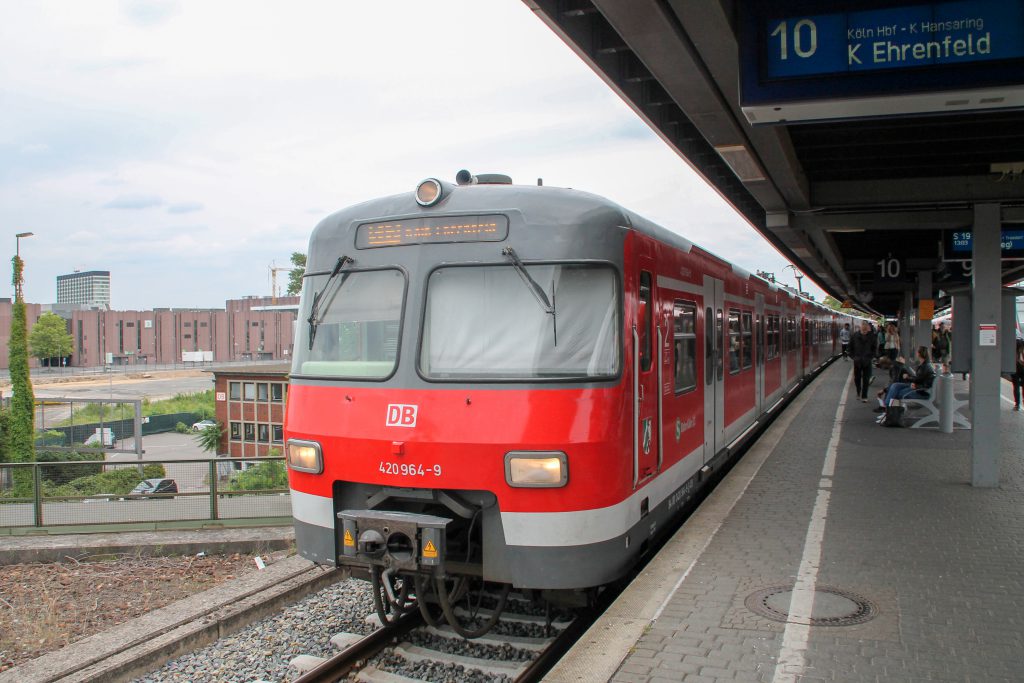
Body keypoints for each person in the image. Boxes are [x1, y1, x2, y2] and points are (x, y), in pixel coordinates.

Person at [849, 321, 877, 402]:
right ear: (860, 327)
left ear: (868, 328)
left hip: (867, 361)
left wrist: (871, 357)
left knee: (866, 379)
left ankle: (864, 396)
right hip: (857, 361)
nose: (864, 330)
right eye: (863, 327)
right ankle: (858, 391)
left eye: (866, 328)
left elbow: (874, 348)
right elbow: (850, 347)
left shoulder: (872, 336)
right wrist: (853, 357)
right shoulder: (855, 336)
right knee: (857, 378)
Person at [1010, 339, 1024, 411]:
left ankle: (1017, 405)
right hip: (1022, 368)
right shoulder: (1022, 347)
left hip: (1014, 368)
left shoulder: (1012, 347)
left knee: (1016, 386)